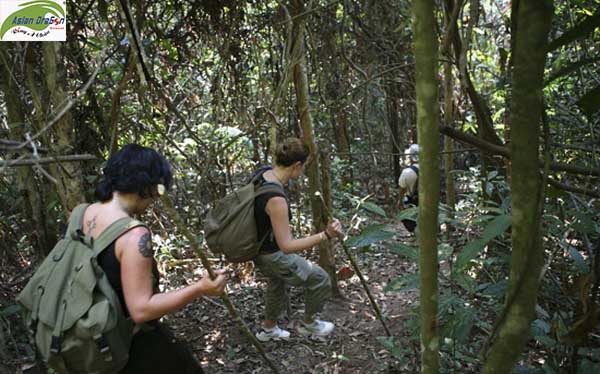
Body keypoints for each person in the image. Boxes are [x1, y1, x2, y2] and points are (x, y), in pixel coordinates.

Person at [84, 144, 228, 373]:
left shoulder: (86, 212)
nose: (157, 198)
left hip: (90, 330)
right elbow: (141, 310)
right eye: (159, 189)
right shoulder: (134, 235)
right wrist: (200, 288)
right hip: (124, 338)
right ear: (146, 185)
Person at [252, 138, 343, 342]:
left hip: (259, 249)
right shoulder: (276, 199)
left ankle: (269, 329)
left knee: (277, 283)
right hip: (271, 255)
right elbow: (287, 246)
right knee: (320, 279)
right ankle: (309, 324)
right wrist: (325, 235)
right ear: (296, 165)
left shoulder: (262, 174)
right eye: (301, 168)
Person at [397, 144, 419, 233]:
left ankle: (415, 234)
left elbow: (402, 189)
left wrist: (400, 201)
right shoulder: (431, 169)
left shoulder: (407, 172)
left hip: (413, 202)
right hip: (430, 201)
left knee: (408, 218)